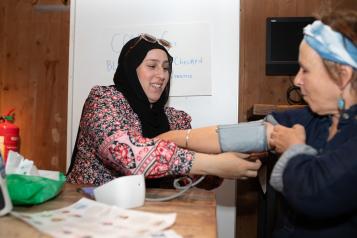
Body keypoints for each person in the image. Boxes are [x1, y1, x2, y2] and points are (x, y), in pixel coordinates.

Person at [158, 9, 357, 237]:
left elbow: (316, 194)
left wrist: (293, 148)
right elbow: (239, 136)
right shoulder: (315, 118)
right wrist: (168, 139)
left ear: (343, 76)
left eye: (306, 70)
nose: (297, 80)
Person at [66, 33, 262, 188]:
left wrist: (229, 160)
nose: (161, 75)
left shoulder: (175, 119)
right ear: (130, 69)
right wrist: (214, 164)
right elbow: (126, 154)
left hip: (148, 214)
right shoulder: (103, 101)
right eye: (151, 65)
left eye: (166, 68)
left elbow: (188, 178)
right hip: (89, 209)